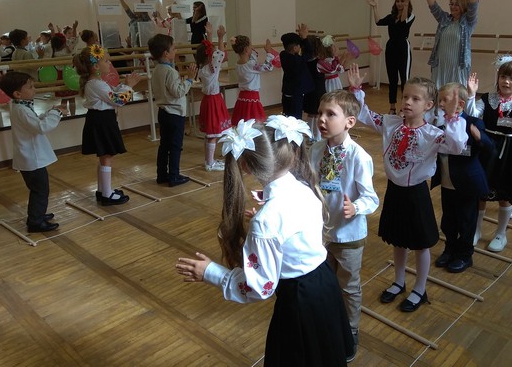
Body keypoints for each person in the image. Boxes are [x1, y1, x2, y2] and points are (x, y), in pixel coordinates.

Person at [175, 116, 354, 366]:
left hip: (300, 301)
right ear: (290, 154)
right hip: (325, 283)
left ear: (246, 166)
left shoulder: (266, 221)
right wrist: (265, 220)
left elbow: (260, 287)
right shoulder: (303, 187)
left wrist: (211, 273)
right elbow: (291, 230)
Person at [347, 63, 468, 312]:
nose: (408, 102)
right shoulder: (391, 123)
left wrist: (453, 118)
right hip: (395, 191)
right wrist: (357, 90)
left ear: (429, 105)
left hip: (416, 194)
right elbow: (365, 115)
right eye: (405, 96)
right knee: (398, 240)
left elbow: (457, 146)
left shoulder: (433, 134)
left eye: (415, 98)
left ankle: (420, 289)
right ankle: (399, 281)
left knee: (420, 243)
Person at [309, 90, 379, 359]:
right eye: (320, 113)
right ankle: (328, 322)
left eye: (330, 114)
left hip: (349, 235)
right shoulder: (316, 149)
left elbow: (371, 198)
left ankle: (351, 329)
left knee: (349, 287)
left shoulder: (359, 157)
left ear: (350, 121)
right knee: (325, 283)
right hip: (321, 234)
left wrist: (356, 207)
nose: (321, 119)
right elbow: (308, 183)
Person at [465, 58, 512, 252]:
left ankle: (501, 234)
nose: (506, 81)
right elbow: (472, 115)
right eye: (503, 76)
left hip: (507, 150)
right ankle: (476, 230)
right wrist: (471, 95)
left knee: (504, 193)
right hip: (486, 148)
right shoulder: (488, 98)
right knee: (481, 191)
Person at [431, 82, 492, 273]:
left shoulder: (473, 122)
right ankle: (449, 249)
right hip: (447, 182)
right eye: (439, 100)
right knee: (448, 220)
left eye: (445, 100)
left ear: (461, 104)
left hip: (467, 183)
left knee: (466, 220)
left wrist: (479, 138)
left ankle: (465, 254)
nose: (441, 104)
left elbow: (490, 148)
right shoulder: (440, 123)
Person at [0, 71, 66, 233]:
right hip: (32, 159)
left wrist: (49, 112)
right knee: (40, 190)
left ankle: (37, 214)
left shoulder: (21, 106)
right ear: (17, 94)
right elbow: (41, 127)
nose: (34, 89)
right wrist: (56, 113)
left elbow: (34, 122)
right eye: (30, 87)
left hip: (30, 157)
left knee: (39, 189)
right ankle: (35, 222)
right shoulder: (22, 110)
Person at [73, 45, 141, 205]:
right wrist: (129, 86)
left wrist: (124, 85)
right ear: (96, 66)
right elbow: (118, 100)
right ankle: (106, 194)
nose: (109, 63)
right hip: (102, 121)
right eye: (106, 61)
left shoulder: (97, 82)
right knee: (106, 156)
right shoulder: (95, 84)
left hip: (102, 120)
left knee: (105, 156)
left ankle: (103, 190)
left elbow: (113, 93)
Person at [417, 0, 493, 88]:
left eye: (456, 4)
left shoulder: (468, 22)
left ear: (464, 5)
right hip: (440, 66)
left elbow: (473, 4)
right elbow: (432, 5)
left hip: (458, 67)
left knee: (456, 95)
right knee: (438, 94)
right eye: (451, 4)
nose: (452, 7)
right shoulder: (444, 19)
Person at [148, 33, 198, 187]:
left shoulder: (157, 69)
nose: (176, 51)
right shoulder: (170, 72)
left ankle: (162, 174)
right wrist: (189, 79)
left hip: (163, 112)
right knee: (175, 146)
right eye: (174, 48)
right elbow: (178, 92)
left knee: (164, 145)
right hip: (174, 113)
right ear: (166, 53)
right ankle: (174, 176)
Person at [368, 0, 415, 114]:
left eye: (402, 1)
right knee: (392, 79)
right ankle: (392, 107)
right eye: (398, 1)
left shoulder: (410, 16)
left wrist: (406, 4)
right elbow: (378, 21)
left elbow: (403, 22)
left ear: (407, 2)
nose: (400, 3)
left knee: (404, 79)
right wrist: (374, 7)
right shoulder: (391, 17)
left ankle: (404, 107)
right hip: (391, 48)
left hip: (403, 48)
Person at [194, 23, 231, 171]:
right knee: (213, 134)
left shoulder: (203, 68)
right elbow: (220, 53)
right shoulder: (211, 68)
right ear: (210, 56)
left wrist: (209, 35)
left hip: (209, 101)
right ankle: (209, 164)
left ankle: (209, 161)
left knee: (210, 133)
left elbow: (213, 52)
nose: (215, 53)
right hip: (213, 102)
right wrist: (220, 37)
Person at [230, 35, 275, 126]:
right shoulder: (250, 65)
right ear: (246, 49)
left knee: (243, 120)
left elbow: (253, 58)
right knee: (253, 122)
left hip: (242, 97)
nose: (252, 47)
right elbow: (268, 67)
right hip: (252, 97)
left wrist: (251, 51)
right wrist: (269, 52)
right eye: (250, 46)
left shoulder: (238, 64)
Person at [279, 24, 314, 119]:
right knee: (296, 118)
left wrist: (301, 38)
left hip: (287, 92)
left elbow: (298, 50)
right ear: (295, 48)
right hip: (295, 94)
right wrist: (304, 38)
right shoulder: (296, 60)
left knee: (287, 115)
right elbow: (309, 53)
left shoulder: (283, 54)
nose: (300, 47)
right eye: (299, 46)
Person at [303, 34, 326, 142]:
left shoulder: (305, 61)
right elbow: (331, 70)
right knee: (317, 113)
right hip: (318, 90)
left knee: (311, 113)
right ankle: (317, 136)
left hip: (309, 90)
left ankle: (310, 135)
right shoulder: (318, 62)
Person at [51, 33, 78, 116]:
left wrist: (52, 31)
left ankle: (65, 115)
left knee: (64, 99)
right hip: (69, 74)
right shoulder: (67, 50)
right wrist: (74, 29)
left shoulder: (54, 52)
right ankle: (73, 115)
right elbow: (75, 40)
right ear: (64, 43)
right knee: (72, 98)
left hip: (60, 75)